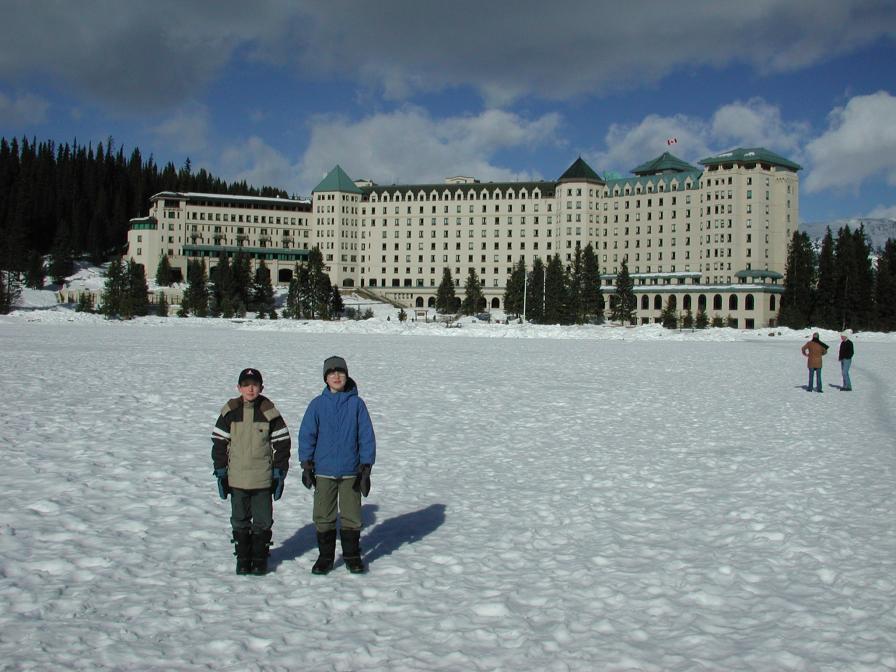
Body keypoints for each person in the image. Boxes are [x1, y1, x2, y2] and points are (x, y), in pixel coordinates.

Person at [299, 356, 376, 575]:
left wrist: (366, 467)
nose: (336, 376)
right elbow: (307, 435)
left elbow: (366, 436)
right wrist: (306, 464)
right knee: (323, 515)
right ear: (325, 378)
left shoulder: (357, 404)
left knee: (352, 516)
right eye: (331, 373)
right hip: (324, 471)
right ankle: (325, 557)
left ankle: (352, 556)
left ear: (347, 375)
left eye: (340, 372)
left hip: (351, 472)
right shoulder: (317, 405)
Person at [212, 368, 291, 575]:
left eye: (254, 385)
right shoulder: (230, 411)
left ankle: (259, 559)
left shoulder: (268, 411)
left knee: (263, 521)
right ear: (239, 388)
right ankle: (243, 558)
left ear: (261, 387)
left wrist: (279, 471)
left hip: (262, 479)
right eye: (246, 385)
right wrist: (220, 470)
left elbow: (282, 442)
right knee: (239, 519)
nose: (250, 389)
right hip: (237, 478)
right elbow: (219, 442)